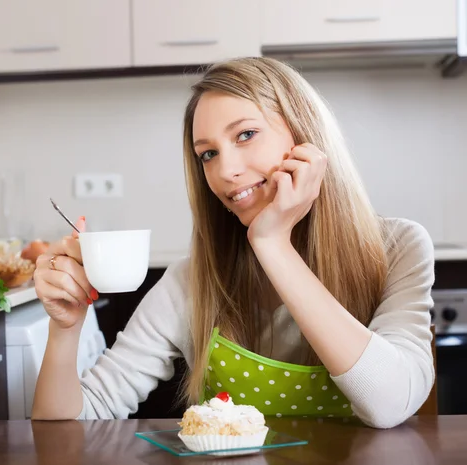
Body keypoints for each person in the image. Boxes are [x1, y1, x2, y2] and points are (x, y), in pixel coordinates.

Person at [31, 57, 435, 429]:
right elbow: (68, 427)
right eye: (207, 154)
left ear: (305, 136)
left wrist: (275, 245)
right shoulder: (191, 282)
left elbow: (390, 403)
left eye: (246, 134)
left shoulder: (398, 249)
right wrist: (66, 329)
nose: (225, 170)